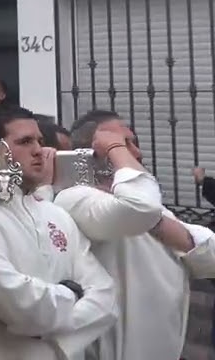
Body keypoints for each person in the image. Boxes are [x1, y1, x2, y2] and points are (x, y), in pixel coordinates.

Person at [0, 104, 117, 360]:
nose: (39, 150)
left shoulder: (56, 215)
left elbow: (104, 295)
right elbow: (10, 298)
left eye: (39, 140)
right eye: (25, 142)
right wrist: (71, 296)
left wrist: (54, 332)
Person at [56, 110, 215, 360]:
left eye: (132, 143)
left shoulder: (145, 203)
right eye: (120, 144)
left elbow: (210, 255)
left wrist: (162, 226)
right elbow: (139, 210)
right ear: (91, 153)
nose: (136, 153)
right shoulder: (74, 198)